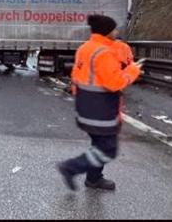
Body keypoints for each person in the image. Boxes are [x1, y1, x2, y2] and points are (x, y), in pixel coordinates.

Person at [57, 14, 141, 192]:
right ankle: (70, 168)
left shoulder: (84, 48)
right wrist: (133, 70)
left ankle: (94, 179)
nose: (117, 32)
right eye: (114, 29)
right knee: (108, 149)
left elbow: (76, 77)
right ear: (107, 32)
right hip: (101, 110)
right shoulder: (104, 53)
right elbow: (115, 83)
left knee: (98, 145)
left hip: (86, 106)